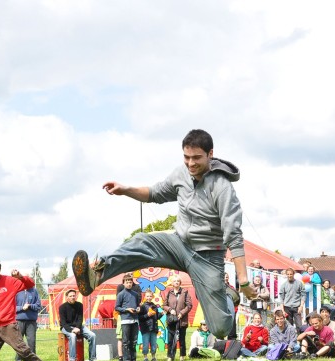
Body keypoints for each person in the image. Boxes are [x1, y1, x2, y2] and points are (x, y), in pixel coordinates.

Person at [74, 129, 256, 340]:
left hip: (207, 257)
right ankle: (96, 275)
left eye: (197, 157)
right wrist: (126, 190)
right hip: (178, 244)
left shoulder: (222, 187)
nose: (191, 163)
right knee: (142, 241)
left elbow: (233, 235)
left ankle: (227, 296)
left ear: (210, 154)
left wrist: (243, 282)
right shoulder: (181, 174)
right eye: (186, 157)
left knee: (221, 328)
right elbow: (155, 193)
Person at [58, 289, 97, 361]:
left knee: (92, 335)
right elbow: (63, 323)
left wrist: (78, 328)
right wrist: (72, 330)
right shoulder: (62, 307)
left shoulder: (79, 305)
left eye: (74, 296)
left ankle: (92, 360)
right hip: (66, 327)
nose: (72, 297)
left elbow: (80, 319)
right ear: (67, 297)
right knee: (73, 336)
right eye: (70, 296)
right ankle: (71, 360)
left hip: (78, 326)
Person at [164, 277, 192, 361]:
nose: (176, 282)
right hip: (172, 320)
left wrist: (181, 313)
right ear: (172, 283)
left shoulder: (185, 292)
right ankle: (170, 356)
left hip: (181, 320)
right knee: (170, 339)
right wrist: (170, 309)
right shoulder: (169, 292)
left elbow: (189, 305)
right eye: (174, 281)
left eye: (178, 281)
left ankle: (182, 356)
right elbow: (164, 305)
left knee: (182, 339)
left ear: (180, 283)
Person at [14, 283, 42, 361]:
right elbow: (12, 306)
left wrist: (30, 306)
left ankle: (33, 360)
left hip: (31, 321)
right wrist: (21, 307)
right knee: (19, 341)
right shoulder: (16, 291)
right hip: (19, 320)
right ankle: (18, 359)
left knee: (32, 341)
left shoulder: (34, 291)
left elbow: (38, 306)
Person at [115, 274, 141, 361]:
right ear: (123, 283)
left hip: (135, 320)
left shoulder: (135, 294)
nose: (129, 284)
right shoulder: (121, 294)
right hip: (125, 320)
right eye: (127, 282)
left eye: (130, 282)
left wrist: (138, 309)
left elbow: (138, 305)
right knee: (125, 341)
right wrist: (126, 309)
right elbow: (117, 307)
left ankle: (133, 359)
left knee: (134, 341)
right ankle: (126, 360)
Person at [137, 290, 163, 361]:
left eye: (150, 296)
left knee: (154, 344)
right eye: (147, 296)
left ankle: (153, 357)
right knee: (145, 344)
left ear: (153, 297)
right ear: (145, 297)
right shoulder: (142, 306)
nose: (149, 297)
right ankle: (145, 357)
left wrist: (161, 314)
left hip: (154, 328)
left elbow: (156, 317)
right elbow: (139, 318)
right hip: (145, 328)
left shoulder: (154, 306)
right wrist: (147, 315)